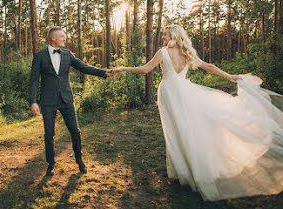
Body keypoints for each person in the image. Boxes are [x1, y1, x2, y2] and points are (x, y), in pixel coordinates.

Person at [109, 24, 283, 201]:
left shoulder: (163, 52)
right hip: (184, 91)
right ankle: (185, 169)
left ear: (174, 36)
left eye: (165, 35)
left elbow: (145, 69)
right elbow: (210, 66)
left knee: (176, 131)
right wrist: (230, 76)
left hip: (170, 92)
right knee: (187, 128)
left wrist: (123, 68)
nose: (163, 38)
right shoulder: (187, 53)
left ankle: (184, 171)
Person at [29, 26, 113, 176]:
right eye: (62, 36)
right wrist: (33, 101)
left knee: (75, 131)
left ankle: (79, 160)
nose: (65, 38)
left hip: (66, 99)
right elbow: (34, 80)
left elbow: (84, 67)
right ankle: (51, 163)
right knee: (49, 134)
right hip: (48, 101)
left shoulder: (68, 54)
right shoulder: (40, 56)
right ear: (53, 38)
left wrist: (104, 73)